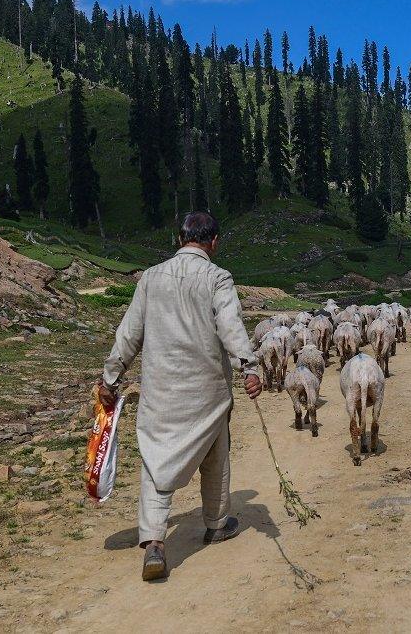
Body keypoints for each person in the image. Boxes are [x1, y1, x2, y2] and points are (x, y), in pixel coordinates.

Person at [96, 211, 263, 581]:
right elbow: (230, 325)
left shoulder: (150, 278)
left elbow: (129, 334)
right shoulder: (218, 278)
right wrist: (250, 366)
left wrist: (110, 378)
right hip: (207, 390)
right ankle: (217, 522)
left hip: (161, 390)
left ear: (179, 239)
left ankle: (154, 541)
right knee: (216, 452)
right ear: (214, 242)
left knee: (157, 461)